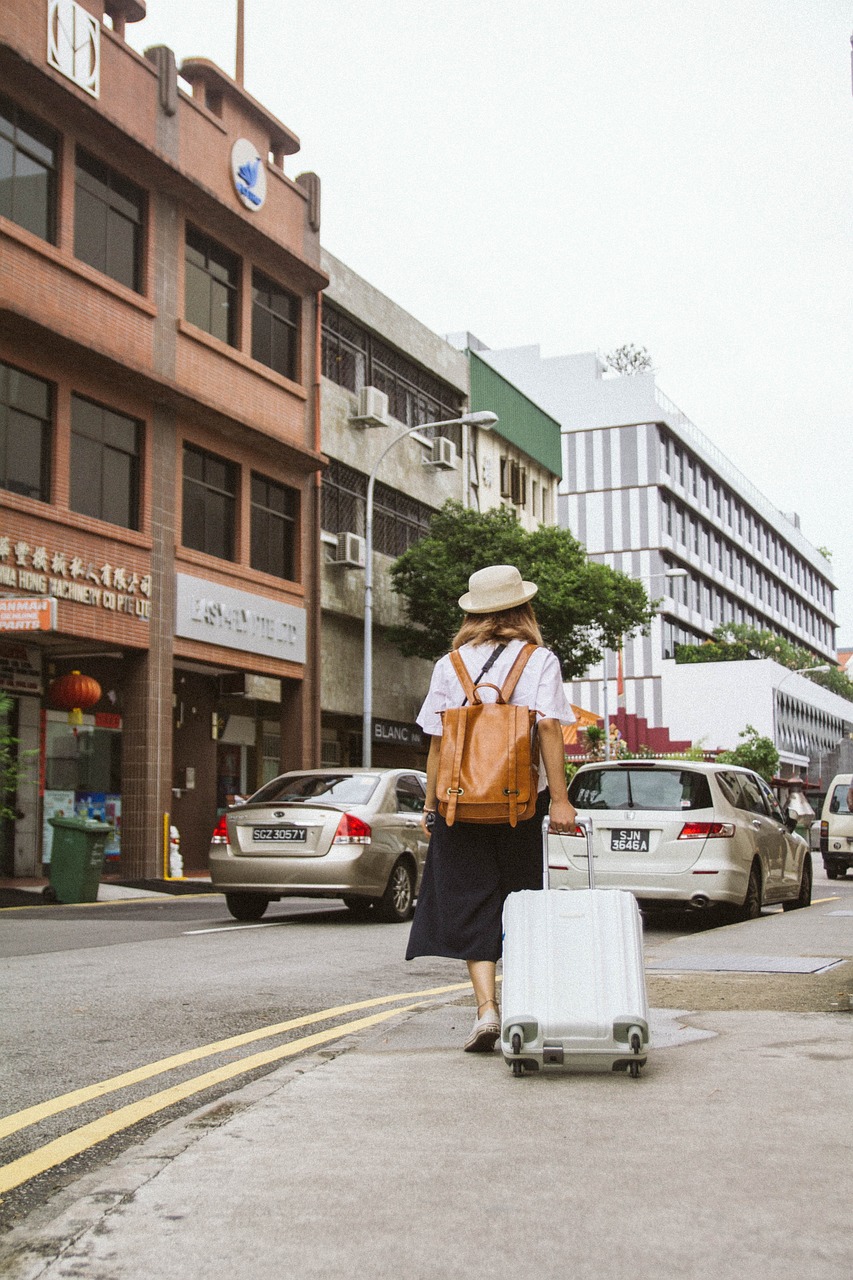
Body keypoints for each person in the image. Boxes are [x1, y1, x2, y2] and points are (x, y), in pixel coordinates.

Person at [406, 564, 578, 1053]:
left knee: (468, 899)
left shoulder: (451, 664)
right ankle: (521, 1002)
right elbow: (547, 729)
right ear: (523, 608)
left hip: (459, 802)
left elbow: (438, 740)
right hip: (517, 804)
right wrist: (561, 800)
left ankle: (486, 1009)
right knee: (518, 899)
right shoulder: (539, 659)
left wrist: (432, 805)